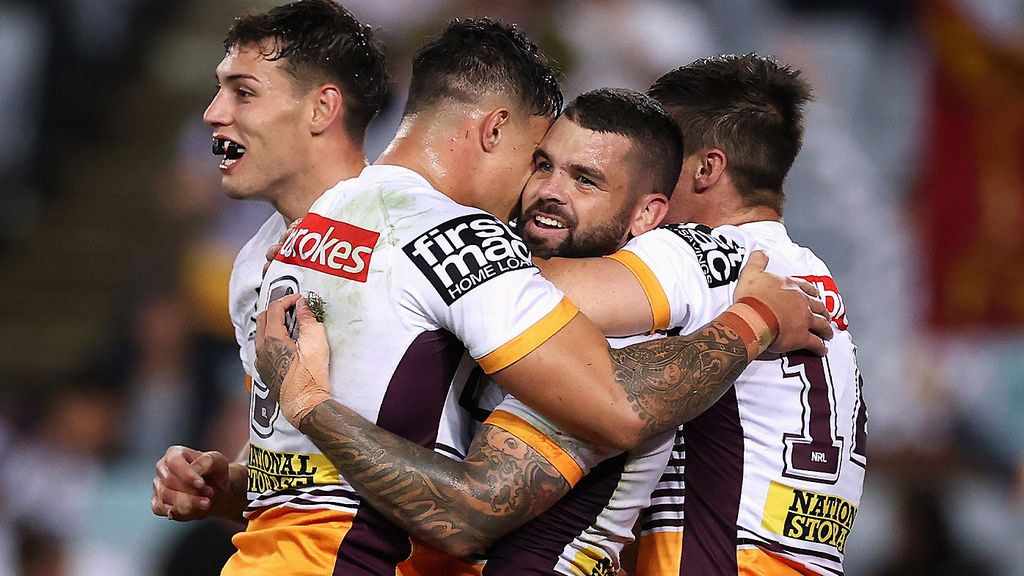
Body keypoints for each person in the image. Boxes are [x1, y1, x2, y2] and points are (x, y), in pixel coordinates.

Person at [253, 21, 829, 570]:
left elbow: (466, 514)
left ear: (652, 211)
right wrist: (239, 484)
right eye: (543, 164)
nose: (546, 191)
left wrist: (755, 320)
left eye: (585, 180)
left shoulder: (622, 308)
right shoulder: (487, 286)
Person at [149, 0, 387, 526]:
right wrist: (223, 482)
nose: (214, 112)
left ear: (322, 110)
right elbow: (287, 472)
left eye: (244, 92)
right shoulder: (253, 264)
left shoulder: (407, 237)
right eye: (220, 88)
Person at [629, 54, 867, 575]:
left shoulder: (701, 254)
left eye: (654, 158)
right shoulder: (816, 278)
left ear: (706, 168)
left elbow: (527, 294)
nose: (638, 178)